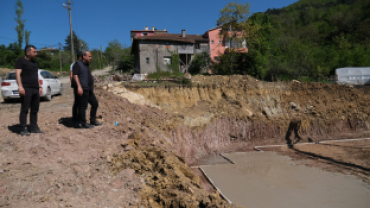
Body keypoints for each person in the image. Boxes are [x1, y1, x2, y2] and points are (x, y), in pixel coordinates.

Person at [14, 45, 44, 136]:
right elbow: (17, 74)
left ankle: (34, 127)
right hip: (26, 88)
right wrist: (20, 87)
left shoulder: (35, 63)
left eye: (36, 52)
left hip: (35, 88)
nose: (36, 53)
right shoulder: (21, 61)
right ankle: (23, 128)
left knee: (35, 109)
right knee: (25, 109)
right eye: (34, 52)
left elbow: (36, 75)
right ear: (28, 52)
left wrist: (40, 87)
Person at [73, 50, 101, 128]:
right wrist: (78, 86)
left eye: (91, 56)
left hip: (89, 89)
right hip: (83, 88)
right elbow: (75, 76)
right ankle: (83, 123)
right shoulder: (77, 64)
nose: (91, 58)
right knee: (83, 107)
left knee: (95, 104)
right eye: (89, 56)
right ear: (84, 56)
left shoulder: (86, 65)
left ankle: (93, 120)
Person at [70, 51, 83, 124]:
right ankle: (76, 117)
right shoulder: (75, 64)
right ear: (80, 57)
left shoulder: (74, 64)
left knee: (77, 102)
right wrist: (75, 86)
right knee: (78, 102)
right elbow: (72, 76)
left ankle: (77, 117)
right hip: (77, 86)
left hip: (78, 86)